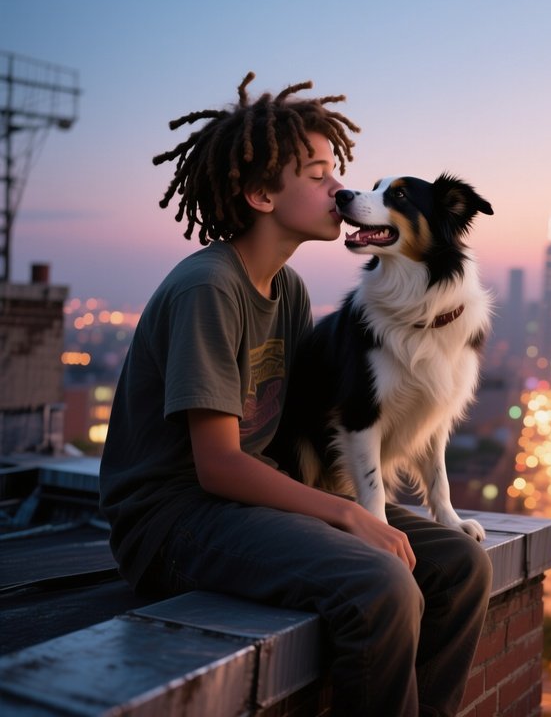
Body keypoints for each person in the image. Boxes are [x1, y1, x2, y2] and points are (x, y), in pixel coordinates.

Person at [99, 73, 492, 717]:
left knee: (461, 568)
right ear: (260, 194)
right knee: (382, 583)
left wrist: (348, 505)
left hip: (249, 502)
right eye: (315, 174)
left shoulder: (289, 293)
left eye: (335, 168)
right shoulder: (210, 288)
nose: (338, 187)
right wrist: (344, 514)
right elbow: (217, 464)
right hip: (173, 520)